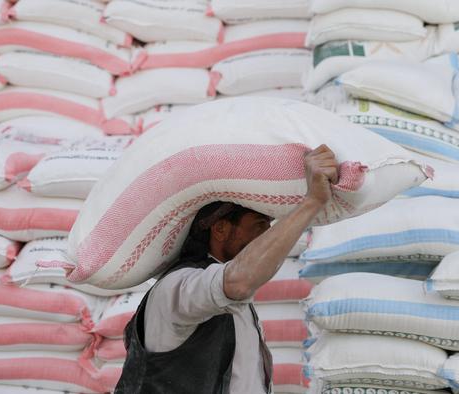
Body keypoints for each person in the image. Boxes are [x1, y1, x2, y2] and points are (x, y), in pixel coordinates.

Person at [115, 144, 339, 394]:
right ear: (220, 229)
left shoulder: (233, 302)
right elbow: (238, 282)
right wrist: (312, 201)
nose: (267, 235)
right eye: (258, 225)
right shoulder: (178, 286)